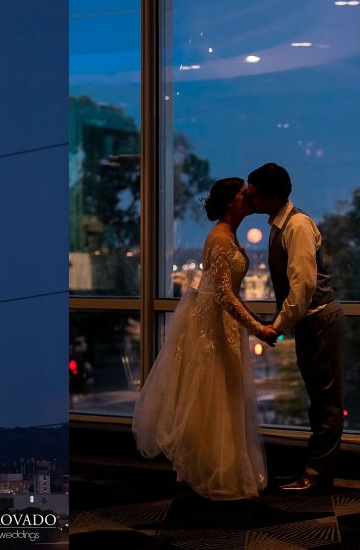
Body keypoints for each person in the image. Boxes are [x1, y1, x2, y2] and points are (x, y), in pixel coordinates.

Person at [132, 177, 277, 501]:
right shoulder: (221, 239)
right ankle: (220, 472)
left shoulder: (228, 236)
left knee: (225, 394)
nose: (250, 196)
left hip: (221, 324)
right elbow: (224, 295)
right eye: (244, 193)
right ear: (231, 202)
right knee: (218, 394)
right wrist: (258, 328)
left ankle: (223, 468)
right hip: (214, 327)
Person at [246, 163, 346, 493]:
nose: (252, 200)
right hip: (311, 321)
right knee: (320, 400)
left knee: (326, 403)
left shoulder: (297, 226)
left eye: (256, 195)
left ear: (273, 196)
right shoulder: (281, 224)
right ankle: (314, 471)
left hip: (319, 320)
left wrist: (277, 326)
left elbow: (302, 288)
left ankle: (316, 475)